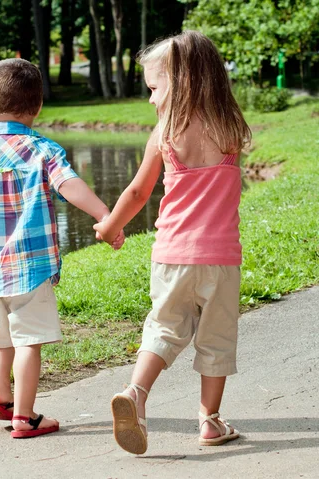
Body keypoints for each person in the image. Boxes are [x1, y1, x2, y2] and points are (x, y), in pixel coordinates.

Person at [0, 58, 122, 438]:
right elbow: (70, 185)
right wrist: (105, 215)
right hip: (30, 265)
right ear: (38, 108)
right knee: (29, 339)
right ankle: (25, 415)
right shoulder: (43, 151)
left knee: (1, 330)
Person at [94, 30, 251, 454]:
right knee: (217, 339)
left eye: (154, 87)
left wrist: (109, 227)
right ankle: (210, 422)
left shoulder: (165, 132)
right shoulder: (231, 126)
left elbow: (138, 193)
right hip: (220, 258)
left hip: (172, 256)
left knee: (164, 328)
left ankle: (136, 394)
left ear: (179, 83)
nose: (150, 99)